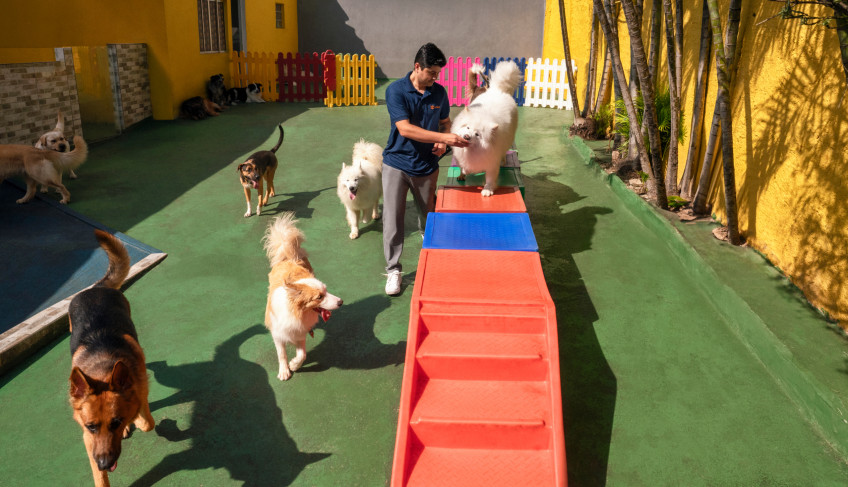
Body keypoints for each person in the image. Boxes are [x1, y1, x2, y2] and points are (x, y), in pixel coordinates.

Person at [381, 42, 468, 296]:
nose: (435, 77)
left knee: (427, 215)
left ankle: (431, 253)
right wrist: (447, 139)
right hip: (396, 163)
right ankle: (393, 270)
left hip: (427, 166)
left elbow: (444, 122)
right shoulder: (396, 91)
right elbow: (405, 129)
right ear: (417, 67)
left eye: (438, 73)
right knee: (392, 221)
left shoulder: (439, 93)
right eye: (431, 72)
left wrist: (443, 138)